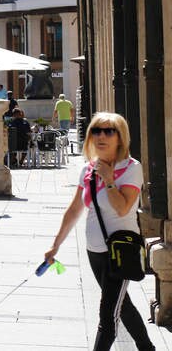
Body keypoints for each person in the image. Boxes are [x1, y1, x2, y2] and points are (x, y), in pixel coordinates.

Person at [43, 113, 155, 351]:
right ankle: (147, 348)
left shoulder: (131, 168)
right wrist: (56, 245)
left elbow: (123, 207)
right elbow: (74, 209)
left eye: (108, 131)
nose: (101, 136)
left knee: (108, 319)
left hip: (121, 251)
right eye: (96, 131)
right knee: (121, 306)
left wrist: (109, 179)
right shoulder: (87, 168)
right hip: (94, 251)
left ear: (120, 137)